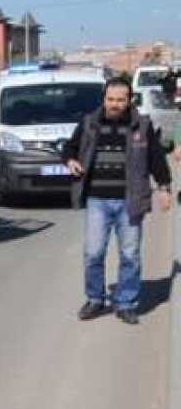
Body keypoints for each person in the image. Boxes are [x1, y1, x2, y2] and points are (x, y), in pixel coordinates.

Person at [62, 77, 172, 325]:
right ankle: (95, 299)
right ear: (104, 98)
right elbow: (69, 147)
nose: (114, 104)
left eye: (120, 100)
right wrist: (70, 160)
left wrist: (164, 188)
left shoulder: (142, 126)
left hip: (130, 201)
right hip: (97, 201)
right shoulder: (89, 123)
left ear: (129, 100)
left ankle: (126, 303)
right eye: (110, 99)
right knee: (93, 253)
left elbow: (156, 158)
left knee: (130, 255)